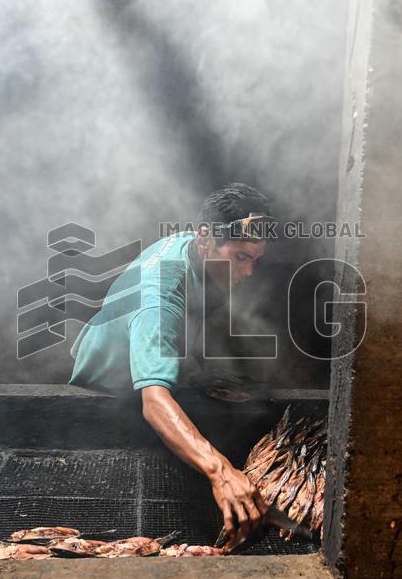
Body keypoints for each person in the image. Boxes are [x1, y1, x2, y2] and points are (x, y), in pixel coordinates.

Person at [69, 183, 275, 546]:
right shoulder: (159, 295)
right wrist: (220, 471)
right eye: (241, 257)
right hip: (107, 393)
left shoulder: (195, 249)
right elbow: (152, 402)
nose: (248, 273)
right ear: (205, 239)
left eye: (255, 260)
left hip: (145, 375)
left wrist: (192, 366)